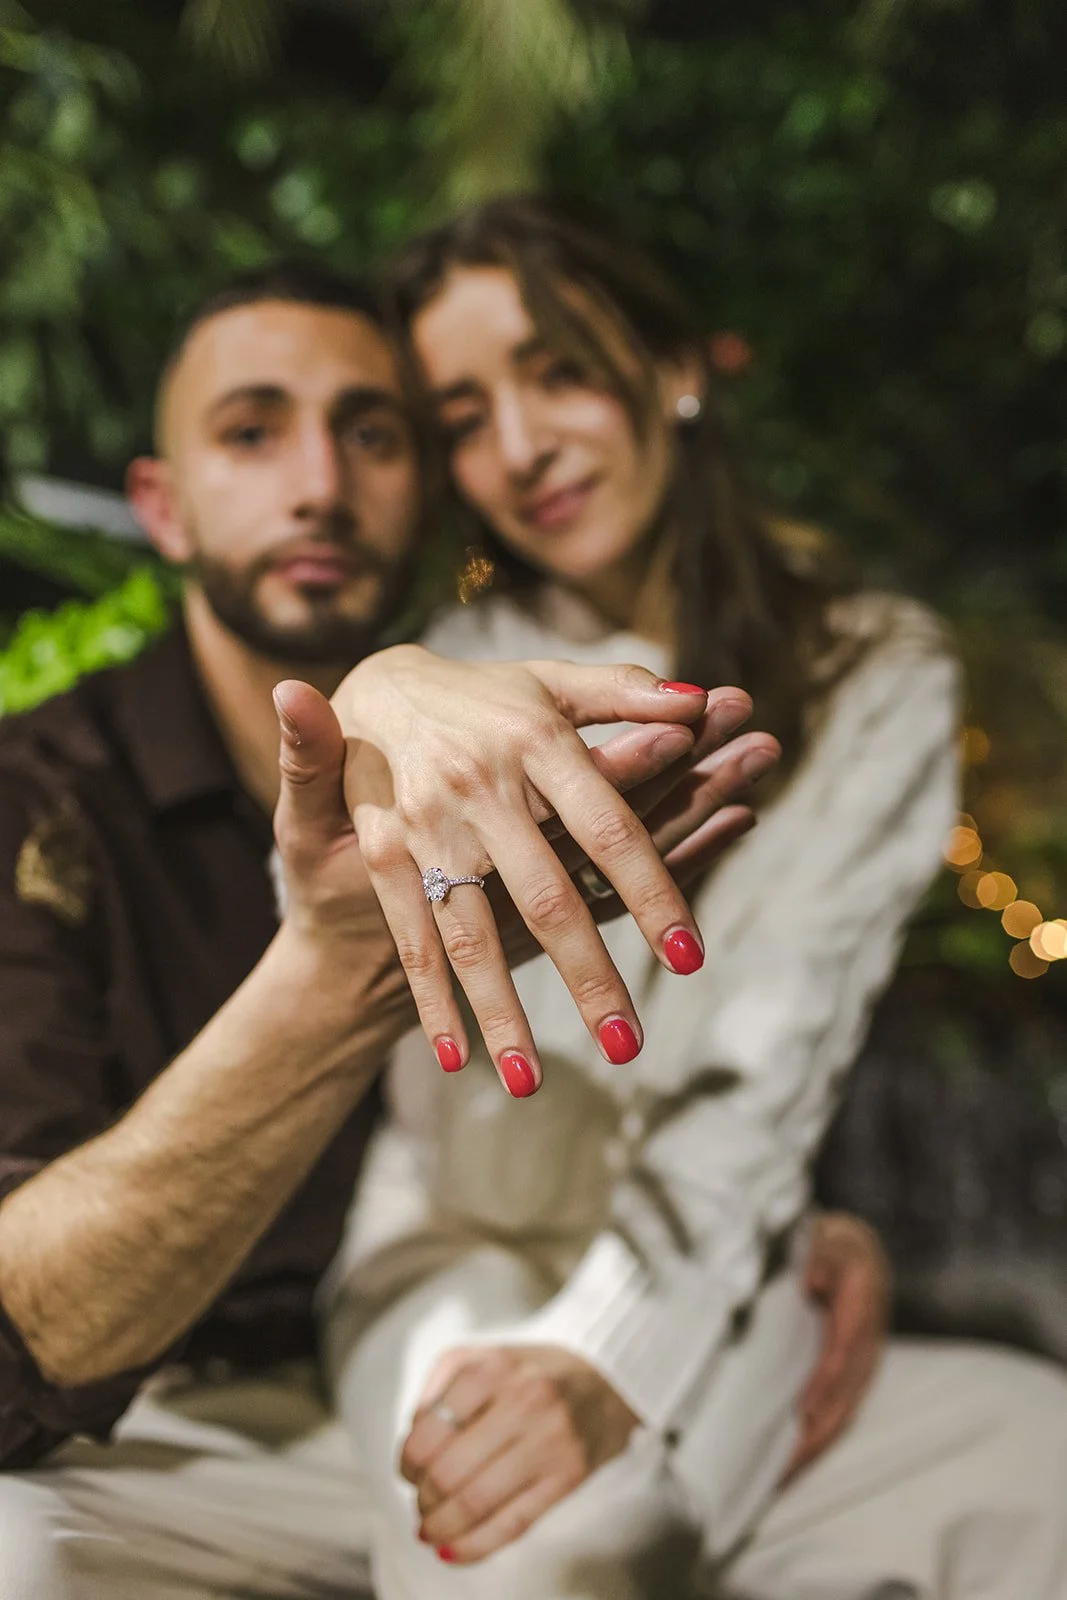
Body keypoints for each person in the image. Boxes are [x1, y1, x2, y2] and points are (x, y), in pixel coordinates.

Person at [0, 262, 878, 1598]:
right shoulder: (40, 802)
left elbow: (701, 1048)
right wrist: (340, 965)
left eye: (371, 433)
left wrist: (785, 1227)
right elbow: (22, 1334)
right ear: (161, 509)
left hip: (471, 1336)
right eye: (251, 432)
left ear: (426, 488)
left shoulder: (490, 722)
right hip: (158, 1417)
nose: (318, 486)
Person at [323, 197, 1067, 1600]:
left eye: (556, 370)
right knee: (537, 1541)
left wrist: (607, 1355)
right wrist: (391, 692)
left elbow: (766, 1066)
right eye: (464, 414)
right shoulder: (439, 683)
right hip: (448, 1238)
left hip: (717, 1263)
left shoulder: (871, 671)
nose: (521, 445)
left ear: (669, 366)